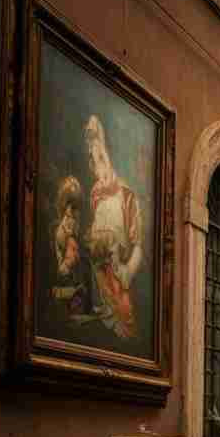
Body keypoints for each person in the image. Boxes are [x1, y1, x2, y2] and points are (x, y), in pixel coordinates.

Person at [84, 115, 142, 339]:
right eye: (93, 160)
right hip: (99, 272)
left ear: (109, 157)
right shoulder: (95, 197)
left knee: (124, 322)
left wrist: (127, 271)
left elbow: (138, 246)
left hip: (119, 274)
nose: (98, 166)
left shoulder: (127, 196)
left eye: (101, 157)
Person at [51, 175, 88, 316]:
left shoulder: (74, 229)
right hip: (64, 284)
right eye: (70, 209)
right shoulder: (62, 230)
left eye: (76, 209)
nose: (73, 216)